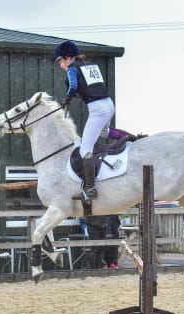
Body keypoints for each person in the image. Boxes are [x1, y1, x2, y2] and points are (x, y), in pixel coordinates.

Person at [54, 40, 117, 201]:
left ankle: (90, 189)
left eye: (60, 61)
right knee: (105, 132)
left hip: (97, 109)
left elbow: (74, 86)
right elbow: (90, 86)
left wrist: (67, 98)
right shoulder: (90, 65)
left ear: (68, 58)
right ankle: (132, 137)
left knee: (85, 149)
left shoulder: (72, 67)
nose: (61, 65)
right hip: (109, 104)